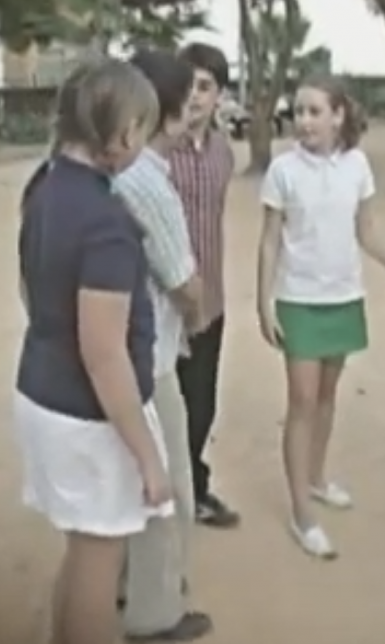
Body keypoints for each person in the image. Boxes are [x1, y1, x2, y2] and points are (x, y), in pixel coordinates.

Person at [13, 59, 172, 644]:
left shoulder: (46, 187)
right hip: (86, 417)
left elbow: (31, 291)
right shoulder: (106, 221)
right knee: (99, 567)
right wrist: (149, 457)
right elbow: (104, 353)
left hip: (44, 394)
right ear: (124, 132)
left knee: (83, 553)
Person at [255, 76, 385, 559]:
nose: (303, 121)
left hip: (343, 296)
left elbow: (365, 230)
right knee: (301, 401)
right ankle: (303, 513)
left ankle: (317, 478)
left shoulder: (357, 166)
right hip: (298, 299)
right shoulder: (282, 171)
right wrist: (263, 302)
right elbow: (269, 241)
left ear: (338, 115)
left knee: (325, 397)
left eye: (314, 111)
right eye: (299, 112)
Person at [111, 49, 213, 642]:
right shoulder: (146, 180)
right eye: (192, 91)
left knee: (129, 481)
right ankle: (155, 616)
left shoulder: (107, 169)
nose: (200, 102)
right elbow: (182, 281)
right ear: (167, 110)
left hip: (119, 359)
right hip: (147, 364)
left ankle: (126, 588)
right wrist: (197, 316)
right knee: (167, 488)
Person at [170, 43, 240, 528]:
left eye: (205, 86)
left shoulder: (223, 151)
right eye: (187, 84)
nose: (194, 96)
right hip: (164, 310)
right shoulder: (154, 152)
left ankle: (194, 489)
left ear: (219, 95)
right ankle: (164, 505)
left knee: (202, 407)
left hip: (210, 304)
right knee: (164, 414)